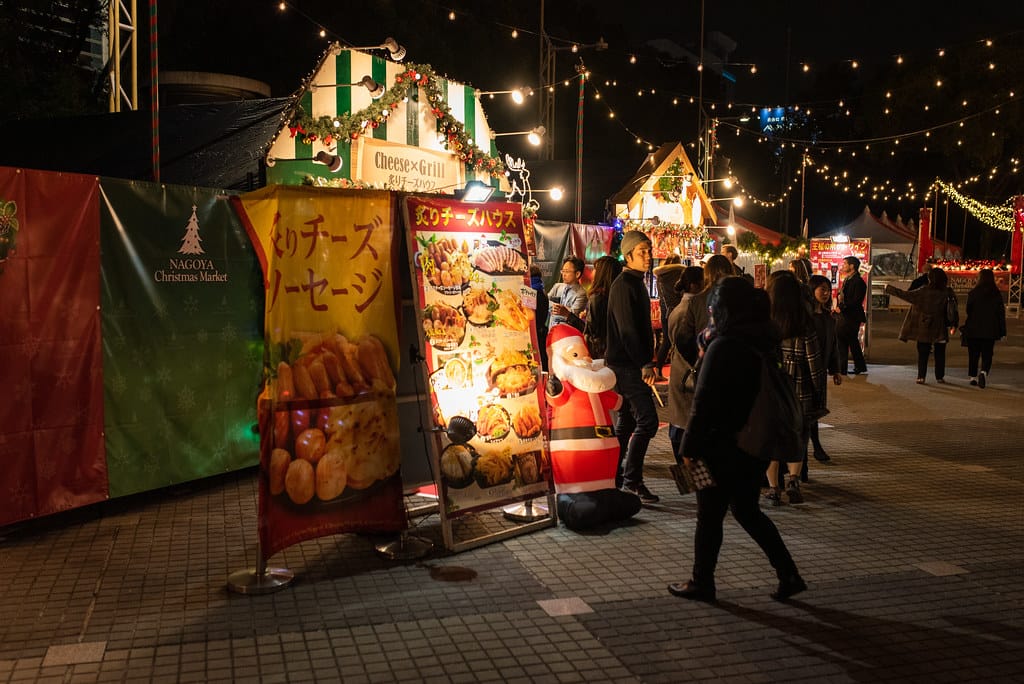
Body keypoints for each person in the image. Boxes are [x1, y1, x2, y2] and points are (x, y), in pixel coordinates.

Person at [668, 276, 806, 603]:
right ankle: (788, 573)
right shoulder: (762, 339)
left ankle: (702, 581)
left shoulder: (723, 345)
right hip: (753, 443)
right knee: (746, 510)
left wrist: (689, 446)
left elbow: (703, 403)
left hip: (720, 444)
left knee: (709, 516)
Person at [545, 324, 642, 531]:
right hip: (574, 460)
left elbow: (615, 402)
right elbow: (556, 397)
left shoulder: (595, 384)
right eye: (576, 354)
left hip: (605, 471)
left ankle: (607, 493)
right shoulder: (566, 384)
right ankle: (571, 500)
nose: (585, 359)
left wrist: (625, 403)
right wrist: (553, 388)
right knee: (584, 511)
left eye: (585, 353)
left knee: (631, 504)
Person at [606, 230, 660, 504]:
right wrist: (644, 363)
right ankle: (632, 480)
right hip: (626, 366)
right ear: (628, 256)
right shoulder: (624, 285)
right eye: (642, 252)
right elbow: (627, 330)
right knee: (648, 421)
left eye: (649, 251)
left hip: (627, 364)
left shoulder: (636, 282)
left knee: (626, 423)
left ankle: (612, 477)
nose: (648, 256)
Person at [765, 273, 826, 505]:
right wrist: (819, 395)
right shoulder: (804, 325)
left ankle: (773, 488)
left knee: (771, 440)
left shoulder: (765, 322)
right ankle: (793, 480)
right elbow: (815, 366)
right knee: (797, 438)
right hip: (800, 392)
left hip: (771, 393)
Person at [884, 267, 956, 384]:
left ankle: (921, 376)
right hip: (940, 326)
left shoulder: (923, 291)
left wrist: (889, 289)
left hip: (924, 326)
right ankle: (939, 376)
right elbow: (953, 310)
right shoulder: (947, 292)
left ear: (930, 279)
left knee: (923, 352)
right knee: (940, 353)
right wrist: (953, 324)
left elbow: (906, 295)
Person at [666, 265, 705, 459]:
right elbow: (682, 342)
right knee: (683, 422)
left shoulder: (681, 308)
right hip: (686, 371)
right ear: (695, 285)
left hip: (681, 370)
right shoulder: (688, 309)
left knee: (680, 420)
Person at [678, 254, 735, 371]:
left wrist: (697, 359)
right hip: (735, 364)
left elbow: (683, 339)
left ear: (707, 273)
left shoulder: (697, 300)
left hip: (706, 365)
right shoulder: (741, 297)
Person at [808, 274, 842, 464]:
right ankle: (814, 446)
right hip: (806, 371)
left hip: (820, 371)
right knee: (809, 410)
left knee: (816, 409)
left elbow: (833, 345)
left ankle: (816, 445)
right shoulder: (805, 318)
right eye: (822, 289)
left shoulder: (828, 318)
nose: (826, 293)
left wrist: (835, 369)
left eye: (828, 289)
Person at [961, 268, 1007, 388]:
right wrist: (1003, 332)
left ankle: (973, 377)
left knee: (973, 354)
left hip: (973, 328)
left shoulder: (973, 293)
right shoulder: (996, 294)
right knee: (987, 353)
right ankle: (983, 372)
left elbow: (968, 310)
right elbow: (1001, 314)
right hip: (990, 329)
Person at [583, 255, 622, 360]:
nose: (592, 272)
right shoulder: (619, 295)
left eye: (595, 269)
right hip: (616, 351)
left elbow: (593, 331)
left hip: (599, 352)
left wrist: (571, 316)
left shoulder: (597, 297)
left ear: (601, 273)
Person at [835, 256, 868, 375]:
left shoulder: (858, 282)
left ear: (852, 266)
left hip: (851, 316)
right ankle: (851, 367)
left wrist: (842, 307)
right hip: (845, 315)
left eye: (845, 264)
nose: (842, 266)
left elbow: (855, 301)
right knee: (849, 341)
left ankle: (845, 367)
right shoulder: (848, 279)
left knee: (847, 340)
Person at [653, 255, 684, 378]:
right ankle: (679, 372)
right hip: (679, 311)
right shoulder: (680, 274)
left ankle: (658, 370)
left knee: (667, 341)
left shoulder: (660, 276)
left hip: (665, 311)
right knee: (680, 341)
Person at [548, 255, 587, 331]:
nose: (563, 274)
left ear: (577, 274)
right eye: (563, 271)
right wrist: (563, 310)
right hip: (552, 330)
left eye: (567, 271)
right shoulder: (557, 287)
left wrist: (562, 311)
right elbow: (546, 302)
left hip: (568, 333)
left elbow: (573, 316)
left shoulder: (581, 294)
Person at [530, 265, 550, 371]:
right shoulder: (541, 289)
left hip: (536, 333)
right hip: (542, 331)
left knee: (539, 361)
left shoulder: (531, 292)